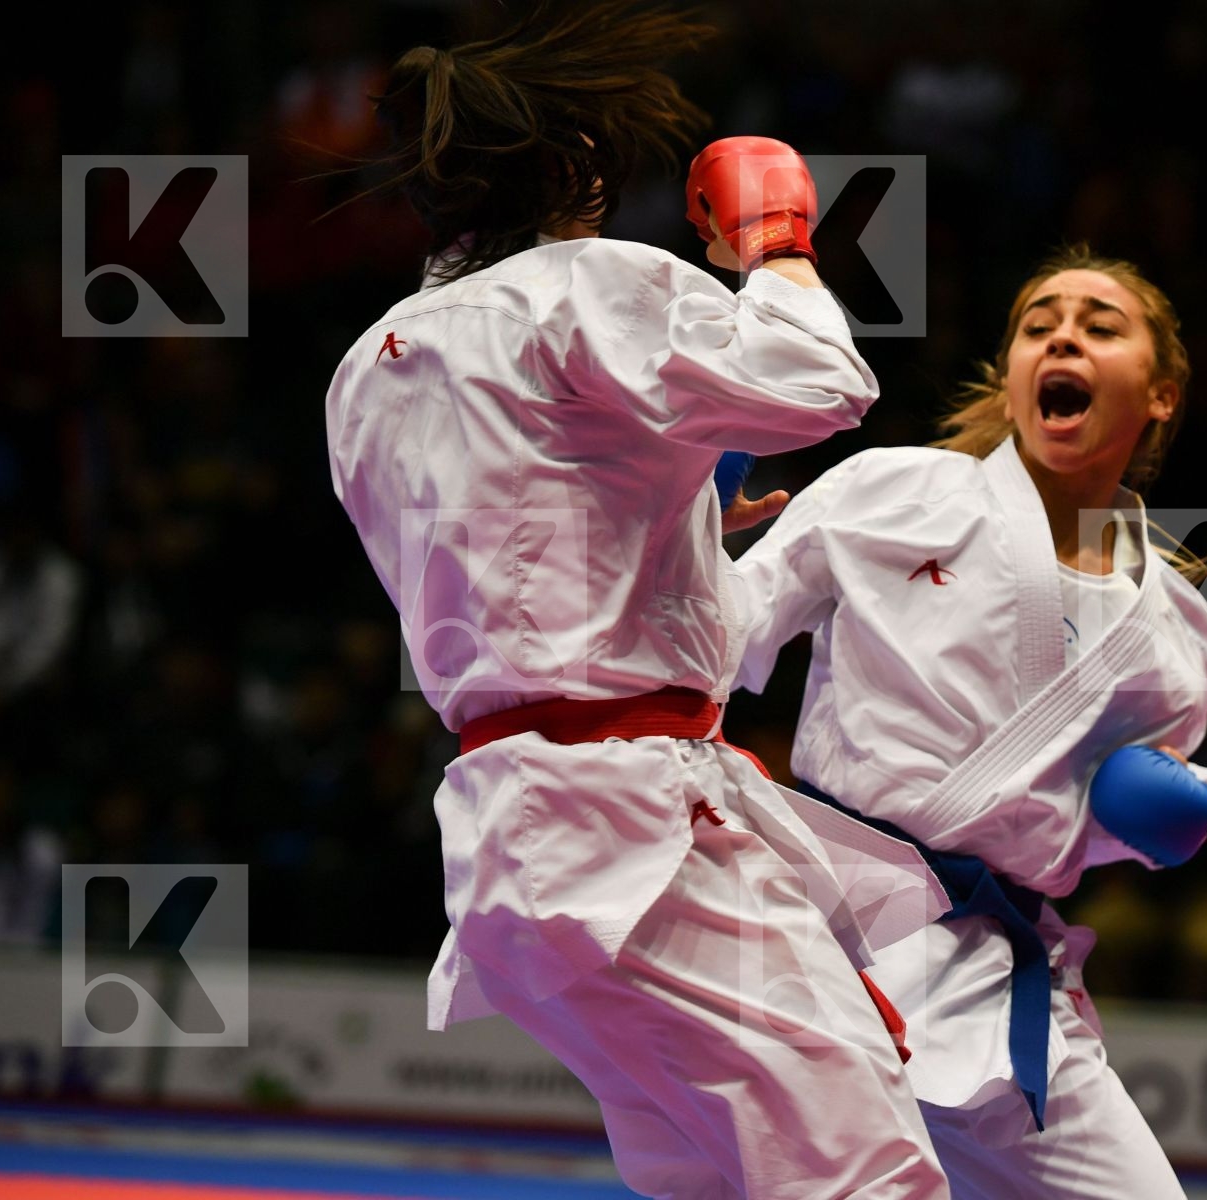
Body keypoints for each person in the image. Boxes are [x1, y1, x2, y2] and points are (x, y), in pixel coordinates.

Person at [324, 5, 950, 1196]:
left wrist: (680, 534)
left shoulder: (366, 369)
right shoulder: (578, 285)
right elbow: (823, 382)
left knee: (714, 1175)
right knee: (867, 1167)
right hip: (637, 827)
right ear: (575, 174)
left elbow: (493, 575)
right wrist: (776, 246)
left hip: (513, 841)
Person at [734, 247, 1207, 1199]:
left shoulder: (1177, 635)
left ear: (1162, 395)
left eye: (1100, 326)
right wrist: (686, 537)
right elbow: (717, 639)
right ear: (1013, 377)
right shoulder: (890, 493)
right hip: (822, 926)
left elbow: (1079, 831)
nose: (1062, 333)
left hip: (993, 959)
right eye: (1038, 322)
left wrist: (1158, 822)